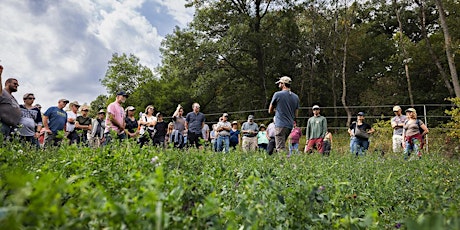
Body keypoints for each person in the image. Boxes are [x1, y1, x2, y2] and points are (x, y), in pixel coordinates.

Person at [268, 76, 300, 153]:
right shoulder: (296, 97)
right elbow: (296, 115)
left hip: (280, 125)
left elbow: (270, 110)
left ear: (283, 84)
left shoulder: (277, 94)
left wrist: (277, 110)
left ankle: (284, 164)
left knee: (280, 147)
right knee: (281, 145)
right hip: (289, 125)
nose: (279, 84)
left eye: (280, 83)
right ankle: (282, 162)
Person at [0, 65, 21, 140]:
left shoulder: (12, 97)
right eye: (15, 84)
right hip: (3, 125)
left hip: (12, 128)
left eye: (17, 84)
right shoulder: (2, 92)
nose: (17, 85)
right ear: (7, 83)